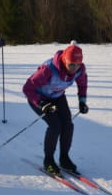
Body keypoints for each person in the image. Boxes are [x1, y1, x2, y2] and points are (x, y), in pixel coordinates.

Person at [22, 43, 89, 175]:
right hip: (38, 98)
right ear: (65, 60)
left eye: (78, 64)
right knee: (55, 126)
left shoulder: (80, 69)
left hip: (57, 97)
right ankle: (48, 161)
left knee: (68, 125)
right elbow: (27, 88)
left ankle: (64, 158)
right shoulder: (49, 69)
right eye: (71, 65)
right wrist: (41, 103)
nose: (74, 68)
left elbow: (82, 84)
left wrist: (82, 101)